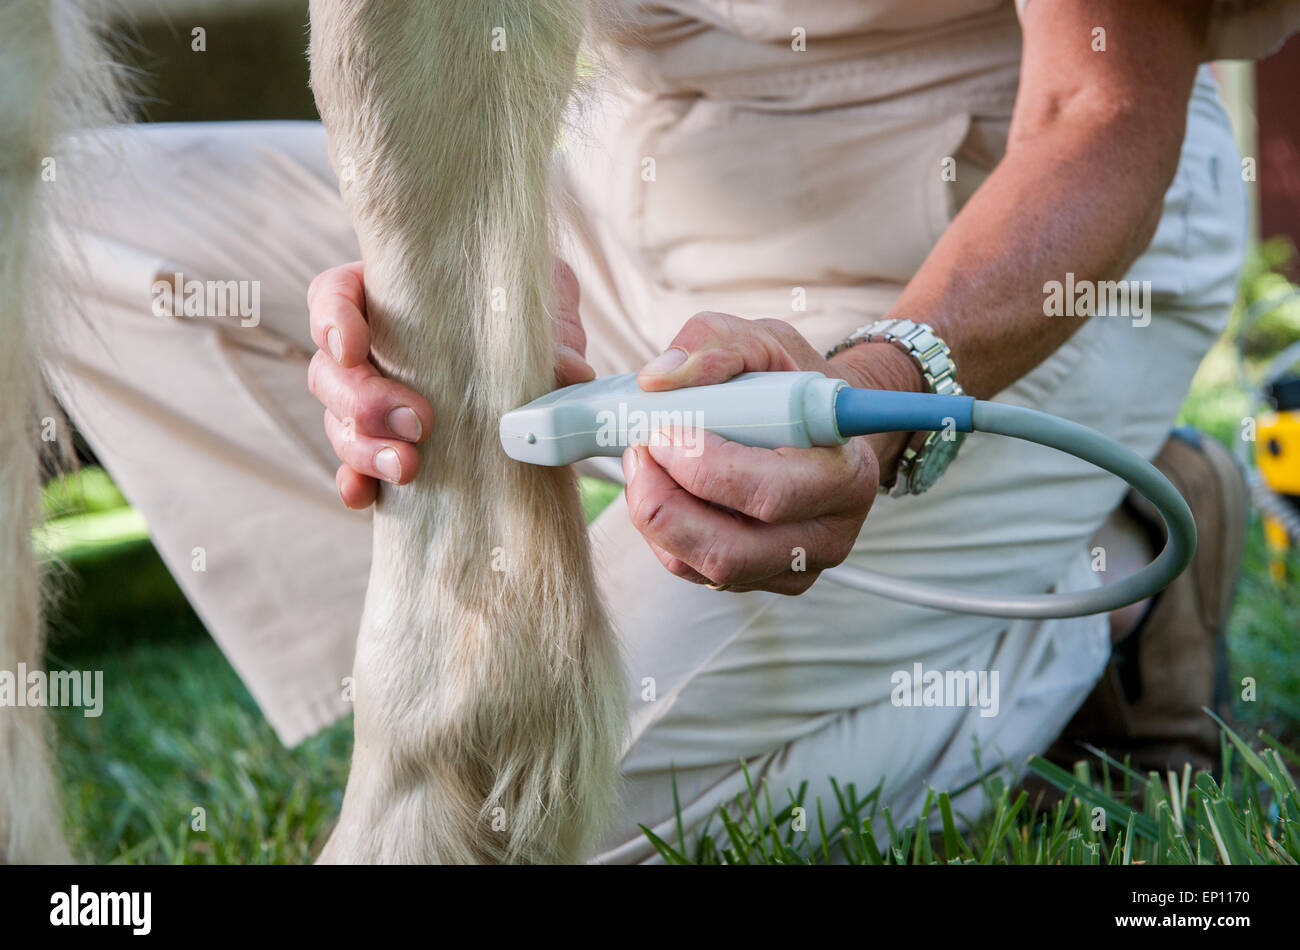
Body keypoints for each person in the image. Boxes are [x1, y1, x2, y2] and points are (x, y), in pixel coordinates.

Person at [49, 0, 1299, 862]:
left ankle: (1104, 584)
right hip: (612, 177)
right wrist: (459, 270)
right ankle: (432, 660)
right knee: (79, 229)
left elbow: (1100, 106)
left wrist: (883, 392)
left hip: (976, 237)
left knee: (524, 823)